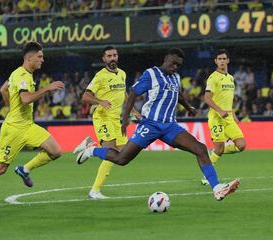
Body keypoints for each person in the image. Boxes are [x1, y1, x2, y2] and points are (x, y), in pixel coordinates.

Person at [74, 48, 240, 201]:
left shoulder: (175, 77)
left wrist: (188, 107)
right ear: (166, 59)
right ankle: (92, 151)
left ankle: (217, 188)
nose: (175, 67)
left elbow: (178, 94)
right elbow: (133, 93)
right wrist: (126, 118)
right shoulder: (151, 74)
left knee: (201, 149)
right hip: (151, 125)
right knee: (121, 158)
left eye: (178, 65)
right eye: (173, 63)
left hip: (170, 126)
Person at [0, 41, 65, 212]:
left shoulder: (20, 74)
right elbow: (25, 99)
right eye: (39, 57)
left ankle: (24, 170)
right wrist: (47, 89)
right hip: (14, 130)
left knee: (55, 151)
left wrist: (12, 106)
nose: (43, 60)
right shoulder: (22, 76)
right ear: (29, 58)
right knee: (1, 168)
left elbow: (3, 89)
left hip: (28, 126)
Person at [74, 46, 139, 199]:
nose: (112, 58)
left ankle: (91, 145)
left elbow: (123, 93)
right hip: (103, 117)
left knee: (122, 155)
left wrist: (132, 110)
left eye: (114, 55)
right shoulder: (100, 76)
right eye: (109, 56)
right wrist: (99, 101)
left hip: (117, 120)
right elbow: (85, 96)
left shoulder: (122, 74)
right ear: (104, 59)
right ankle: (94, 190)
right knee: (111, 153)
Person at [201, 49, 246, 185]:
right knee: (219, 148)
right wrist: (220, 111)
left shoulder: (231, 78)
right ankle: (206, 177)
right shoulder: (213, 77)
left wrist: (234, 114)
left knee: (241, 145)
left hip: (228, 117)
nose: (222, 61)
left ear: (228, 61)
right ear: (216, 61)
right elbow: (207, 98)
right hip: (216, 117)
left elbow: (228, 98)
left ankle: (215, 151)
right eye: (219, 59)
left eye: (224, 58)